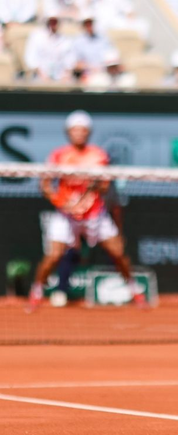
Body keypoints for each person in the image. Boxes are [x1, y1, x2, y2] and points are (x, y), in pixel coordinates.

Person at [28, 111, 145, 312]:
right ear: (68, 132)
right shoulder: (59, 155)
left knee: (117, 252)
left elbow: (105, 186)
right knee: (53, 255)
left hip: (94, 214)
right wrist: (63, 202)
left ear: (88, 132)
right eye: (75, 130)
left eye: (83, 130)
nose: (79, 133)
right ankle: (36, 292)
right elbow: (45, 184)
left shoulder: (99, 155)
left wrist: (94, 187)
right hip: (66, 215)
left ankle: (134, 289)